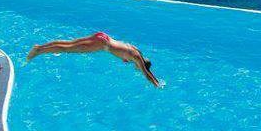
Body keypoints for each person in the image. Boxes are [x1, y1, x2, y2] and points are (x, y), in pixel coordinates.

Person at [26, 32, 161, 87]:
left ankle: (39, 47)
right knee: (67, 49)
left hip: (103, 36)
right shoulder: (137, 58)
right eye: (139, 67)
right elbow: (147, 75)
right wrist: (157, 84)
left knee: (69, 43)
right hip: (103, 44)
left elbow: (147, 69)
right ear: (142, 63)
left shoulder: (136, 50)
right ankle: (39, 51)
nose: (137, 68)